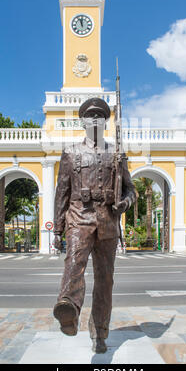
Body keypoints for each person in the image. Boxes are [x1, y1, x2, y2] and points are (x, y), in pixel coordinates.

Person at [53, 98, 137, 353]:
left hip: (108, 222)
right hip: (79, 218)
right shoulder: (71, 153)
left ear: (106, 122)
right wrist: (57, 229)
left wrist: (125, 202)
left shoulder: (116, 154)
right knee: (74, 265)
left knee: (105, 281)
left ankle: (99, 332)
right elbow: (62, 193)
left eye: (100, 117)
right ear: (82, 122)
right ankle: (69, 308)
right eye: (90, 117)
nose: (95, 121)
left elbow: (131, 190)